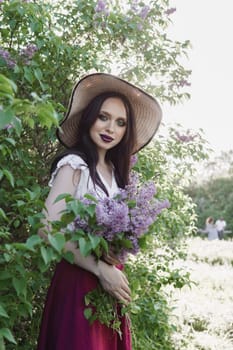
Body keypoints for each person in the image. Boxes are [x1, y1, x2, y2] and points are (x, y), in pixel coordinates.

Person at [36, 72, 162, 350]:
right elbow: (47, 229)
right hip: (78, 284)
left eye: (120, 122)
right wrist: (100, 269)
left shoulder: (116, 174)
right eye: (103, 117)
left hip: (111, 286)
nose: (110, 128)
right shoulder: (74, 165)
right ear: (90, 117)